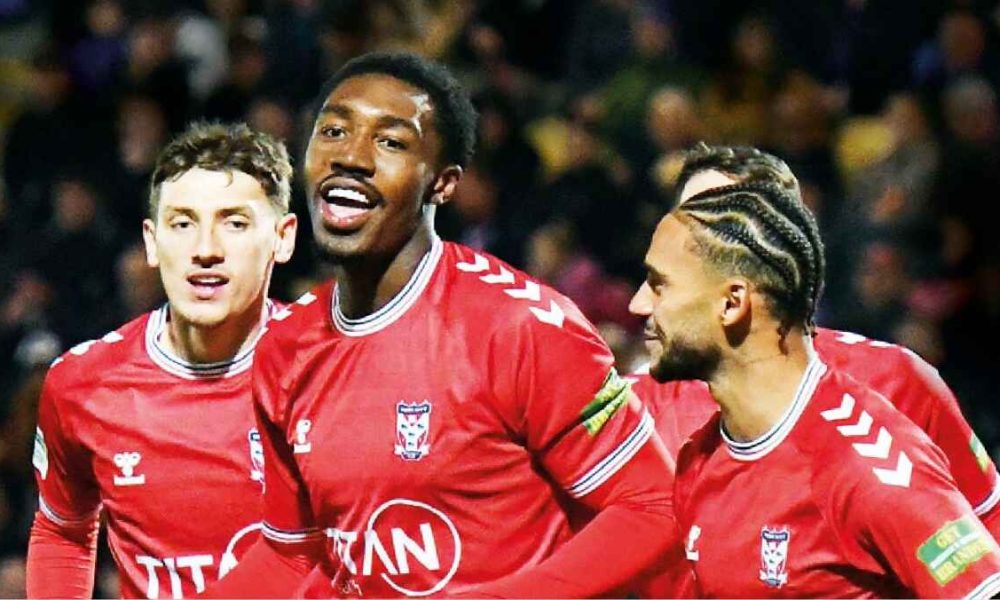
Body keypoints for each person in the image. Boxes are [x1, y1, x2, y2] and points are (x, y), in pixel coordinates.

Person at [203, 51, 676, 598]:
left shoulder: (520, 326)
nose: (351, 156)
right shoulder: (286, 347)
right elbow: (293, 552)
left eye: (391, 142)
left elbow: (652, 506)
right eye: (333, 130)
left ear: (443, 183)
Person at [628, 163, 1000, 595]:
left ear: (732, 303)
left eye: (660, 285)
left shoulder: (865, 465)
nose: (638, 304)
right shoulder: (701, 459)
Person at [26, 122, 298, 598]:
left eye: (234, 223)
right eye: (182, 223)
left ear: (283, 236)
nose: (205, 250)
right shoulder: (83, 384)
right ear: (152, 241)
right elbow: (63, 531)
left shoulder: (333, 372)